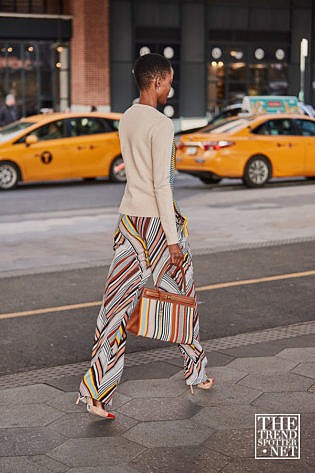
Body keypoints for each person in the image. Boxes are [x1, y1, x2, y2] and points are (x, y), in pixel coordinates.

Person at [75, 53, 214, 419]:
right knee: (183, 296)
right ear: (156, 82)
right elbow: (162, 184)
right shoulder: (161, 124)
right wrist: (172, 239)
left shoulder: (127, 117)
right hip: (157, 224)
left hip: (129, 222)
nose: (171, 87)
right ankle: (196, 373)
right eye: (169, 81)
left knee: (115, 308)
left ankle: (96, 395)